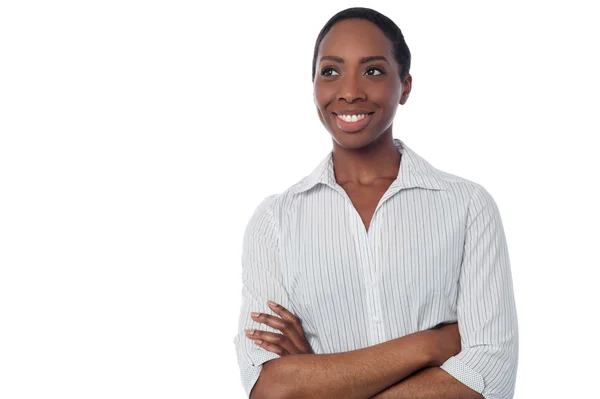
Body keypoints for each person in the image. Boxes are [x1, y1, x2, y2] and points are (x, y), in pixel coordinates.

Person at [233, 7, 518, 399]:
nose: (349, 91)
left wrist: (320, 378)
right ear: (313, 84)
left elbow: (491, 379)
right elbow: (271, 388)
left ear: (406, 86)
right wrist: (429, 346)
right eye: (330, 71)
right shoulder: (275, 221)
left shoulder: (468, 207)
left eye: (373, 71)